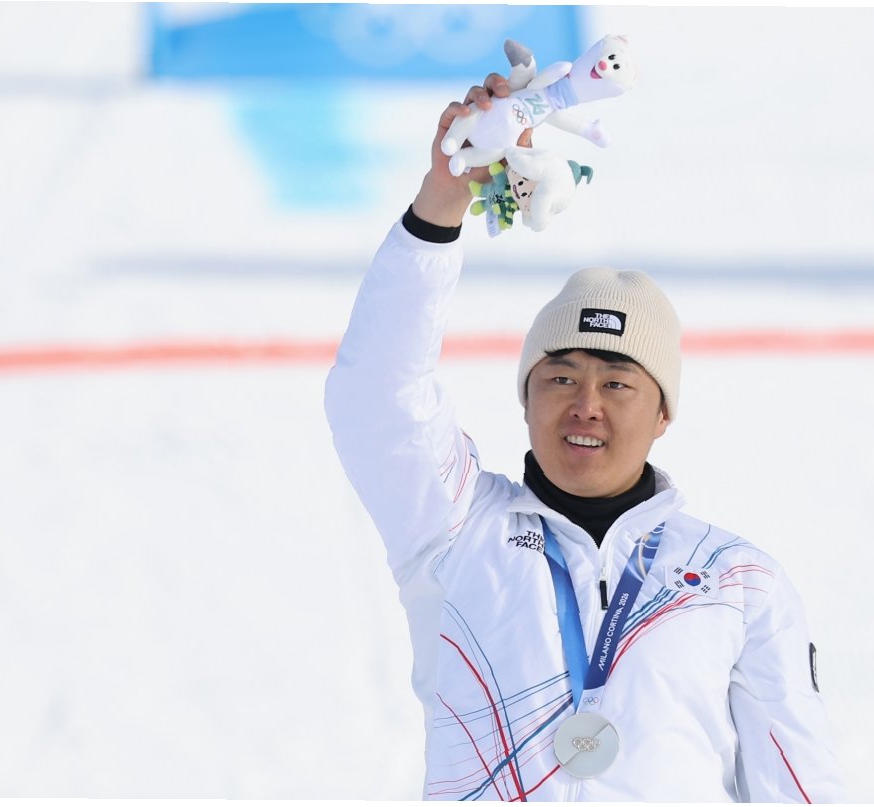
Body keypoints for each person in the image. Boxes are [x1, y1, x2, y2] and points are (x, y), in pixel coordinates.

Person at [325, 73, 845, 802]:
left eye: (618, 383)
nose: (586, 406)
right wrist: (442, 201)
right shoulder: (453, 529)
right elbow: (378, 393)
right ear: (527, 397)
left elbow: (803, 787)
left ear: (663, 413)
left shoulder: (736, 581)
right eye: (561, 377)